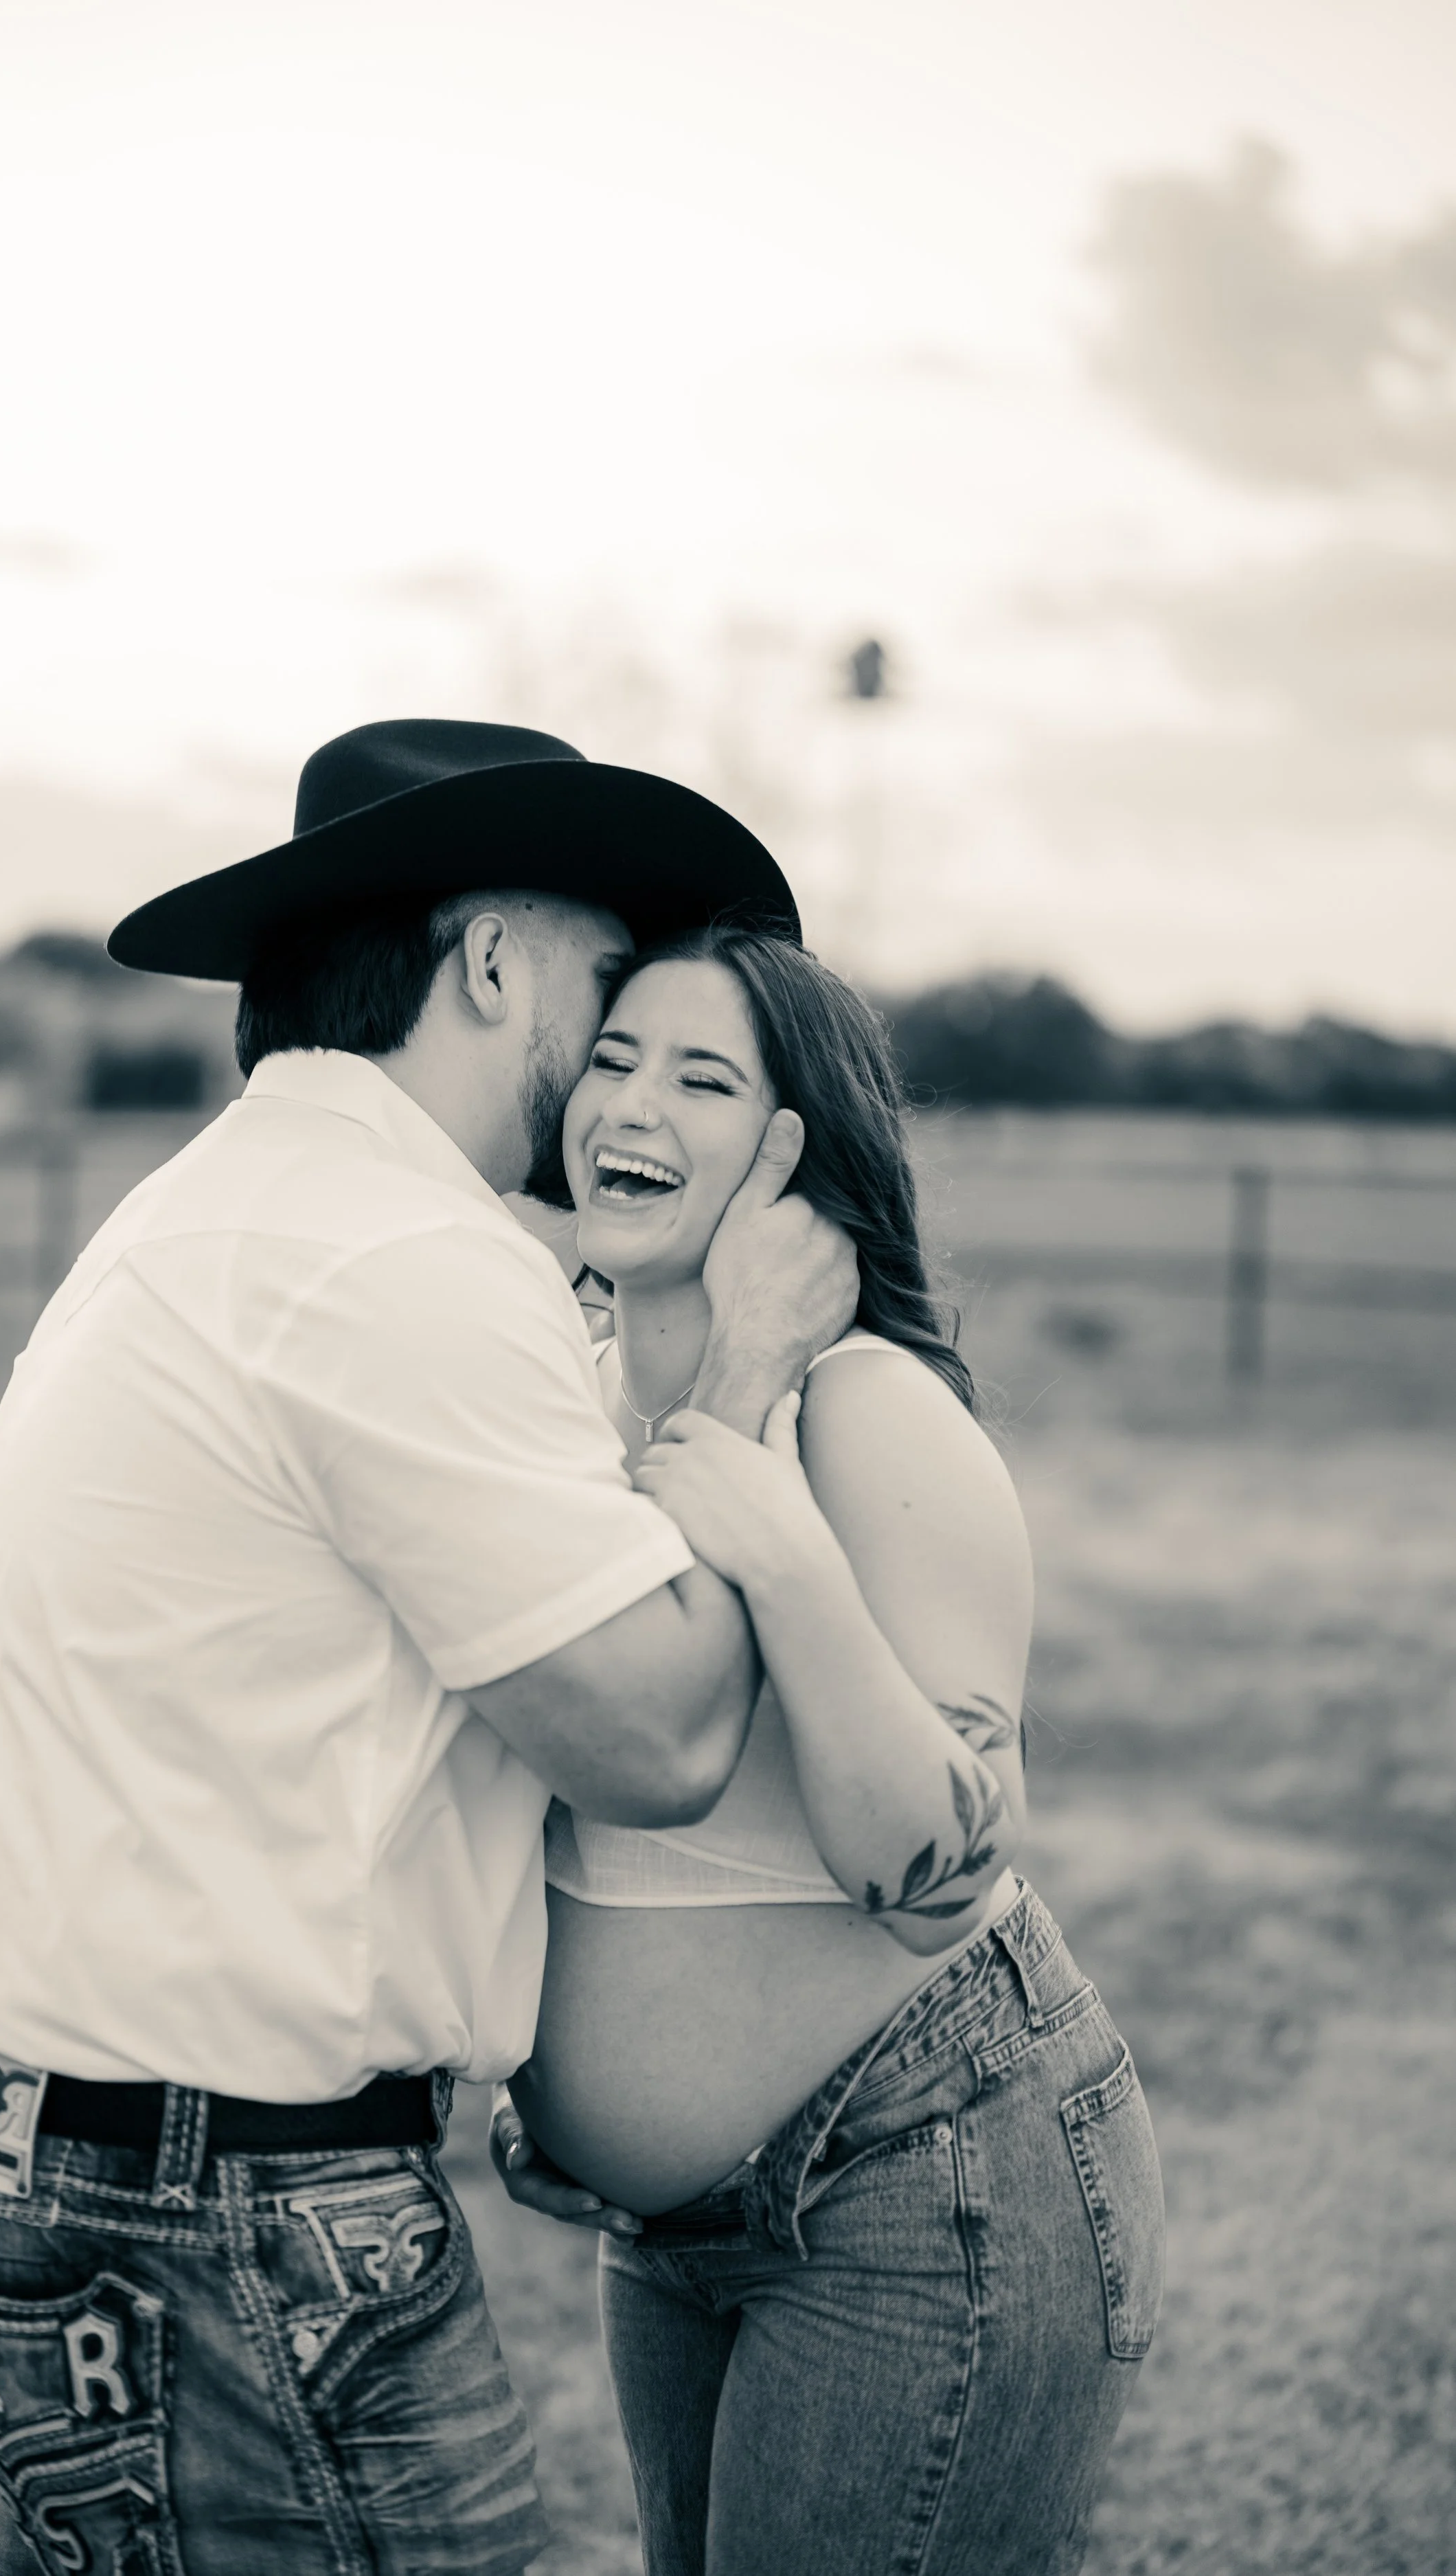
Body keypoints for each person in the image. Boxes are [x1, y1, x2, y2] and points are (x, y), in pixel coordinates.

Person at [0, 721, 857, 2576]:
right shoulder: (396, 1253)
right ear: (490, 959)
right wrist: (742, 1369)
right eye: (597, 979)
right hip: (208, 2189)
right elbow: (653, 1733)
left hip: (35, 2116)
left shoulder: (227, 1203)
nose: (615, 1036)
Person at [491, 923, 1165, 2576]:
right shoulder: (545, 1404)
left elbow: (931, 1880)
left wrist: (780, 1551)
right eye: (613, 1058)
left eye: (702, 1078)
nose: (627, 1103)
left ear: (791, 1160)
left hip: (923, 2189)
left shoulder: (865, 1415)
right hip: (669, 2235)